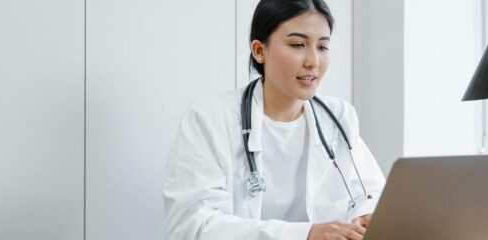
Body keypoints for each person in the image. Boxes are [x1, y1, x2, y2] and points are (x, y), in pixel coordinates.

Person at [164, 0, 385, 239]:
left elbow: (371, 194)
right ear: (259, 51)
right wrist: (304, 235)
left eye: (322, 46)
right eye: (298, 45)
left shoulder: (338, 117)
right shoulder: (209, 119)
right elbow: (193, 226)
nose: (313, 61)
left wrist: (367, 216)